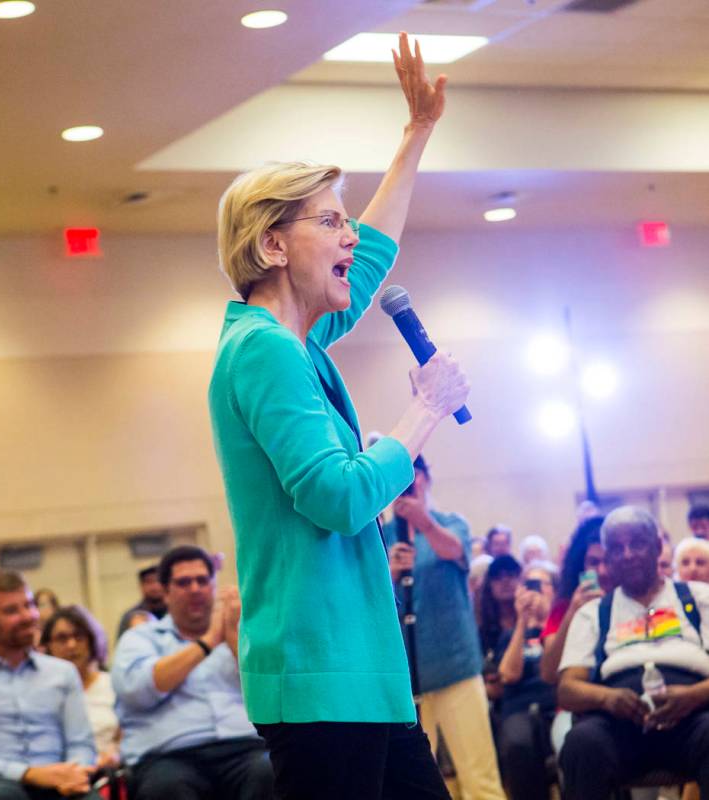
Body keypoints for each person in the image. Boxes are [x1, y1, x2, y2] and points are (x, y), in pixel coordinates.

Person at [208, 32, 469, 800]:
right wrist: (423, 410)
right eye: (328, 221)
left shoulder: (294, 341)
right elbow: (339, 497)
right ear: (271, 244)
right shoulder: (264, 351)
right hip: (321, 671)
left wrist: (415, 136)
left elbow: (374, 249)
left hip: (357, 670)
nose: (348, 234)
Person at [558, 506, 709, 799]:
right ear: (607, 557)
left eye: (637, 543)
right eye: (616, 548)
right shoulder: (593, 613)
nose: (627, 554)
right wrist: (607, 698)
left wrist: (693, 696)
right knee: (581, 743)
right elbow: (567, 690)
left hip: (694, 718)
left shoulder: (698, 598)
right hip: (619, 725)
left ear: (657, 547)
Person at [384, 455, 506, 800]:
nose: (407, 484)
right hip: (405, 680)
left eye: (413, 475)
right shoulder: (380, 536)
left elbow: (454, 550)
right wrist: (388, 574)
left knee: (479, 778)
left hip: (456, 669)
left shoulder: (451, 523)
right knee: (411, 786)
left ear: (425, 479)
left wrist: (423, 522)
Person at [111, 545, 272, 800]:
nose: (195, 589)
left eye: (202, 580)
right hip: (170, 756)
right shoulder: (140, 638)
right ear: (165, 593)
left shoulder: (241, 634)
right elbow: (136, 691)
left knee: (271, 772)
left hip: (244, 748)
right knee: (166, 788)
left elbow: (270, 694)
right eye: (183, 582)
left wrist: (233, 642)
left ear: (213, 585)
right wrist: (207, 642)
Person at [0, 571, 99, 800]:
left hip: (60, 783)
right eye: (11, 610)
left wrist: (72, 772)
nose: (28, 616)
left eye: (29, 605)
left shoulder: (62, 673)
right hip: (0, 784)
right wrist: (29, 774)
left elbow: (81, 744)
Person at [494, 563, 558, 800]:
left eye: (540, 584)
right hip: (518, 708)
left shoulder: (561, 627)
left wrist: (546, 622)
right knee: (517, 743)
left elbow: (554, 670)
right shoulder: (510, 635)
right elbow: (509, 674)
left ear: (554, 590)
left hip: (555, 704)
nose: (534, 591)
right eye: (529, 585)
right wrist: (522, 622)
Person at [41, 607, 120, 767]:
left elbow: (129, 735)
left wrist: (115, 755)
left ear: (92, 640)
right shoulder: (41, 692)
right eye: (62, 638)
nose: (71, 645)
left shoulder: (113, 685)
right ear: (48, 645)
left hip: (110, 773)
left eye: (79, 636)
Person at [540, 515, 609, 685]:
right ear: (581, 565)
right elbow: (548, 673)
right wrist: (572, 612)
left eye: (607, 561)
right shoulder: (564, 607)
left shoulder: (633, 599)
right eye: (594, 562)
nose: (602, 571)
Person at [115, 565, 167, 639]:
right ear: (141, 586)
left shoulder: (176, 613)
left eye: (157, 581)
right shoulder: (129, 617)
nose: (154, 586)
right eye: (149, 582)